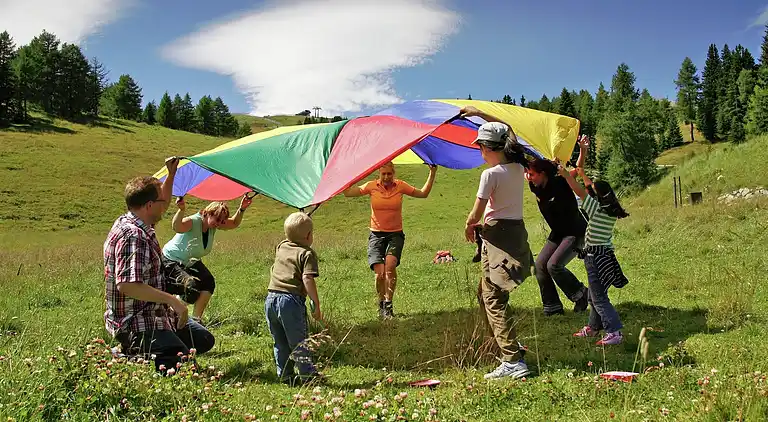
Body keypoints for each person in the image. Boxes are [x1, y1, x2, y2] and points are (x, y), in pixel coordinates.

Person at [103, 157, 215, 373]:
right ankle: (130, 353)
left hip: (155, 311)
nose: (166, 205)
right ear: (149, 205)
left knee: (203, 340)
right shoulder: (133, 236)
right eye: (162, 202)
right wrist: (173, 301)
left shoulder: (140, 222)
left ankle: (152, 351)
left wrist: (171, 175)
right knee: (182, 365)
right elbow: (127, 285)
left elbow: (160, 197)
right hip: (135, 319)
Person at [461, 105, 534, 380]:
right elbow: (509, 129)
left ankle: (513, 361)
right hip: (515, 232)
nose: (480, 153)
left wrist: (469, 225)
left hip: (496, 238)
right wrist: (479, 113)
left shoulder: (489, 175)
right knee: (487, 294)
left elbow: (477, 212)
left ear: (486, 148)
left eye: (480, 147)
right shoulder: (517, 167)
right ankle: (509, 346)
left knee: (492, 298)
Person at [343, 162, 437, 319]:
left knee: (390, 267)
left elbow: (423, 193)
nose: (386, 177)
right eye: (383, 174)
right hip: (376, 235)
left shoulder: (400, 186)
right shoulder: (371, 186)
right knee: (379, 274)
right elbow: (347, 192)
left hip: (395, 234)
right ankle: (381, 302)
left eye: (389, 174)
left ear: (393, 173)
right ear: (379, 174)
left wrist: (432, 173)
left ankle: (388, 304)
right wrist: (354, 172)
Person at [557, 161, 630, 346]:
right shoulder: (609, 209)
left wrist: (566, 175)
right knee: (595, 295)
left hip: (595, 258)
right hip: (605, 256)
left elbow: (581, 190)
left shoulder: (595, 209)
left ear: (596, 196)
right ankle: (592, 327)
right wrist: (582, 174)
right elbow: (590, 187)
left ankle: (614, 332)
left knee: (598, 298)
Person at [525, 136, 591, 316]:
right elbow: (524, 164)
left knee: (553, 265)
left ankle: (581, 294)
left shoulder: (561, 182)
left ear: (543, 174)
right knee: (540, 266)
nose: (528, 178)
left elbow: (578, 169)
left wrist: (582, 150)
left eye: (532, 174)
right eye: (528, 174)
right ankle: (552, 307)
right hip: (558, 233)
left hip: (575, 231)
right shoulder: (535, 186)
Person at [162, 194, 253, 322]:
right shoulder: (193, 221)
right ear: (207, 213)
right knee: (191, 288)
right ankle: (171, 315)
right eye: (217, 219)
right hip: (171, 260)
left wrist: (242, 209)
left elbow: (233, 223)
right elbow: (176, 227)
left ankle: (196, 320)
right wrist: (181, 210)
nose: (219, 223)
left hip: (190, 261)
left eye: (221, 221)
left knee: (208, 282)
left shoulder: (212, 226)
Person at [265, 212, 323, 385]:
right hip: (290, 301)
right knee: (299, 342)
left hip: (271, 299)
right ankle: (307, 376)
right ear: (309, 236)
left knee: (280, 341)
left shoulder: (281, 246)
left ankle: (285, 376)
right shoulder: (307, 254)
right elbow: (307, 278)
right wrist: (315, 303)